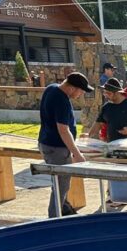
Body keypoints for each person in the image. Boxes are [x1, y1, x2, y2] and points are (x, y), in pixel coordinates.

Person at [38, 72, 92, 217]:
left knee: (60, 182)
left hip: (47, 143)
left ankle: (64, 208)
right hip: (57, 148)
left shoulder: (51, 88)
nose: (80, 94)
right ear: (73, 88)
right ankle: (54, 219)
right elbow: (63, 130)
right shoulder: (62, 100)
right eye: (81, 91)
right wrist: (76, 153)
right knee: (61, 185)